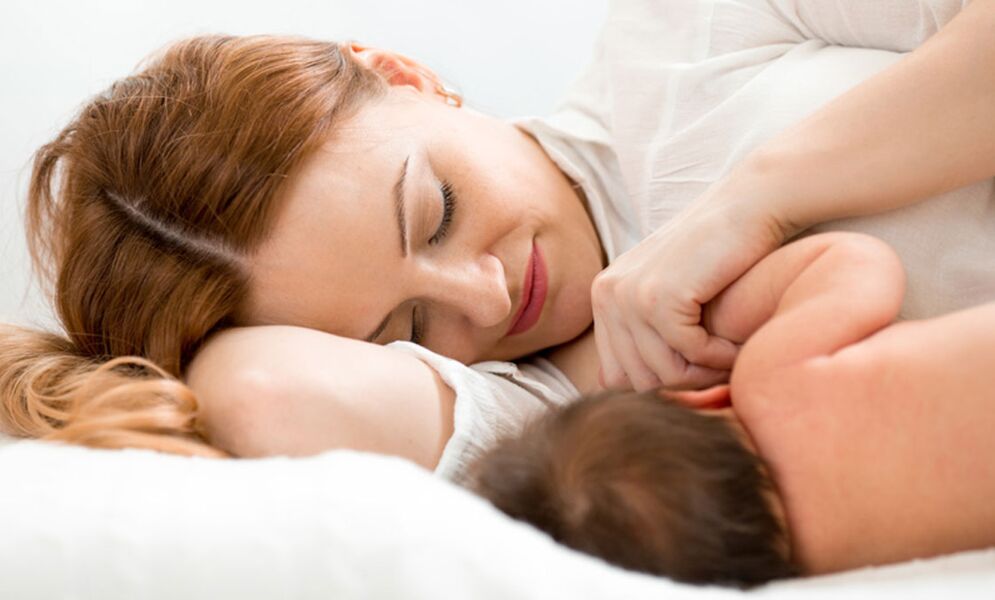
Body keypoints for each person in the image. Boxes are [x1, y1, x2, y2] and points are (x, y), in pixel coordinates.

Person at [1, 1, 993, 484]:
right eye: (407, 327)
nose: (484, 298)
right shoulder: (540, 406)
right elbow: (266, 396)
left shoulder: (683, 39)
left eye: (434, 211)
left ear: (405, 75)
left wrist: (756, 200)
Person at [470, 232, 995, 584]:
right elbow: (858, 261)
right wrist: (721, 320)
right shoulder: (773, 381)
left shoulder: (829, 569)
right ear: (703, 398)